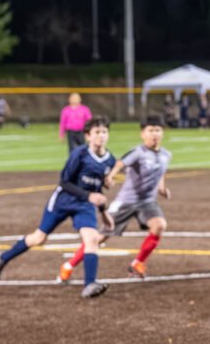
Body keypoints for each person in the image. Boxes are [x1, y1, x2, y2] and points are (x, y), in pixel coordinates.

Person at [0, 117, 114, 299]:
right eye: (97, 132)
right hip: (63, 200)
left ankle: (89, 285)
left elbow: (97, 190)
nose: (101, 136)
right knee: (38, 238)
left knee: (92, 239)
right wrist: (89, 196)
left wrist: (104, 211)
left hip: (84, 206)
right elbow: (64, 182)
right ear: (87, 136)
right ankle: (4, 257)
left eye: (104, 132)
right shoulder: (79, 154)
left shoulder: (110, 160)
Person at [60, 115, 172, 283]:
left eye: (157, 130)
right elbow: (120, 163)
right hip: (126, 202)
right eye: (150, 130)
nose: (154, 134)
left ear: (162, 133)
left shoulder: (165, 155)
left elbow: (160, 172)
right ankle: (69, 265)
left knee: (159, 225)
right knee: (100, 237)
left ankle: (138, 263)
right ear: (143, 133)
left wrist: (162, 188)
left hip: (147, 202)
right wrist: (110, 176)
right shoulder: (138, 152)